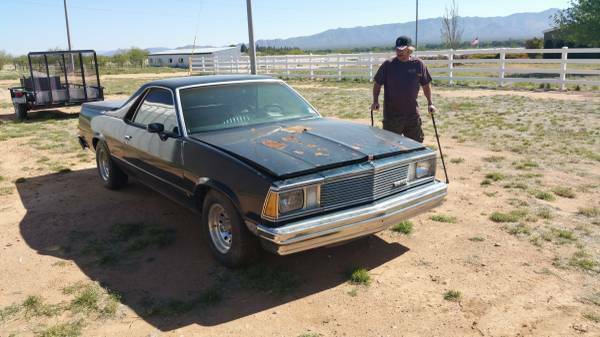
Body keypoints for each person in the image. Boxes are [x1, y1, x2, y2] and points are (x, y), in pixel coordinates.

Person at [370, 36, 437, 143]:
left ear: (409, 50)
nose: (399, 52)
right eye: (397, 49)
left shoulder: (418, 64)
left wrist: (430, 103)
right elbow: (377, 84)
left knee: (415, 145)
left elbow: (425, 85)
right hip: (392, 116)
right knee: (389, 147)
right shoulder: (388, 65)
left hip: (412, 115)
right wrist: (375, 101)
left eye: (402, 50)